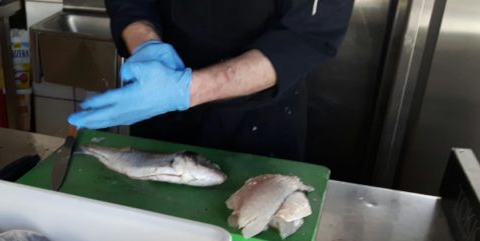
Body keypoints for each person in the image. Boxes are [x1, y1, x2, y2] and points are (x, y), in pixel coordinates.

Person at [68, 0, 355, 161]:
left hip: (258, 124)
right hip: (162, 114)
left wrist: (187, 90)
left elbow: (305, 37)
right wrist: (145, 45)